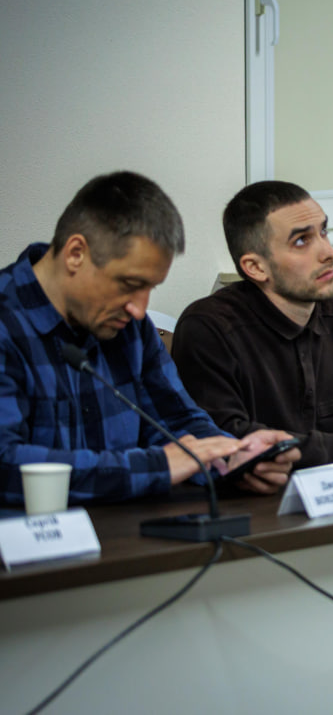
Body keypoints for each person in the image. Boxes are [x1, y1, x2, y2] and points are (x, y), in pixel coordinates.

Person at [0, 172, 299, 506]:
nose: (140, 309)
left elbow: (177, 421)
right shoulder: (7, 323)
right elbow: (5, 463)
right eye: (130, 284)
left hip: (129, 531)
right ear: (75, 254)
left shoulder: (126, 322)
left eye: (150, 288)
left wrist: (234, 457)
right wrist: (155, 467)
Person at [171, 182, 333, 470]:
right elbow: (229, 442)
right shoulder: (209, 329)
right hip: (258, 496)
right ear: (256, 267)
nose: (328, 252)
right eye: (301, 241)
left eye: (323, 232)